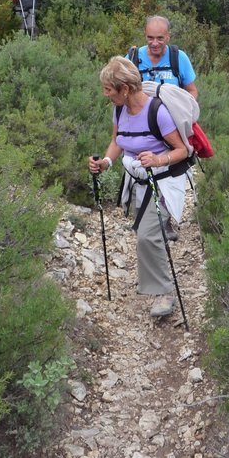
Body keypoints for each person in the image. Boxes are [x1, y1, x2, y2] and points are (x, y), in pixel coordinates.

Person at [88, 56, 191, 318]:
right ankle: (157, 283)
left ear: (125, 88)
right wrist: (106, 162)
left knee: (148, 235)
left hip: (164, 181)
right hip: (137, 180)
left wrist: (158, 159)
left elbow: (182, 150)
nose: (106, 94)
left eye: (109, 89)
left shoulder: (159, 112)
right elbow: (117, 141)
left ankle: (163, 294)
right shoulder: (119, 109)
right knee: (147, 234)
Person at [127, 16, 198, 99]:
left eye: (160, 38)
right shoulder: (132, 57)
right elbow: (119, 89)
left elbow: (192, 91)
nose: (155, 43)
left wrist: (186, 108)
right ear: (145, 35)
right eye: (150, 38)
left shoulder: (179, 57)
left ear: (168, 36)